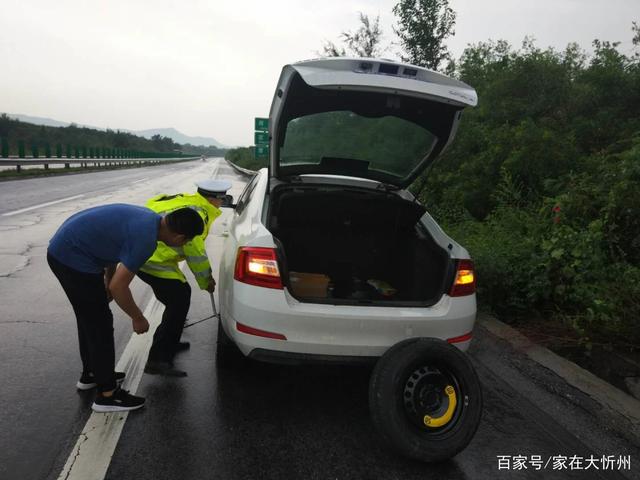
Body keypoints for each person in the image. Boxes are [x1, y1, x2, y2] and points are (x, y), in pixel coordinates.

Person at [47, 204, 204, 412]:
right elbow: (119, 287)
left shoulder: (152, 219)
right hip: (72, 258)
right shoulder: (145, 241)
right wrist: (137, 317)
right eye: (188, 240)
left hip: (67, 249)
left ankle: (93, 373)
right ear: (179, 238)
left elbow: (113, 250)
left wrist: (108, 278)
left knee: (89, 317)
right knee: (99, 323)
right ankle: (107, 395)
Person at [139, 179, 232, 376]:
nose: (223, 202)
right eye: (221, 198)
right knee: (178, 301)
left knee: (177, 299)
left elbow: (151, 205)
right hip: (153, 259)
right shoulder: (199, 213)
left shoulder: (184, 199)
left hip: (147, 251)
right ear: (212, 199)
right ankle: (158, 359)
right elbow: (195, 252)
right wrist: (206, 280)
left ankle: (169, 342)